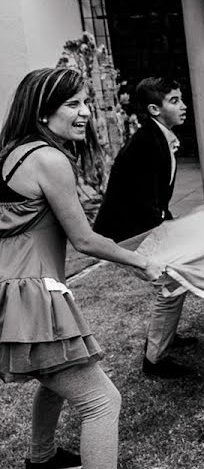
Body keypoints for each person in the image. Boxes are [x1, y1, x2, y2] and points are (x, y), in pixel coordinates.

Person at [0, 68, 166, 469]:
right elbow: (84, 239)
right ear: (42, 112)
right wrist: (142, 262)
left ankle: (42, 459)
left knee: (55, 379)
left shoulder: (11, 153)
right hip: (31, 294)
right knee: (102, 402)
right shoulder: (50, 159)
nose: (85, 113)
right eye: (72, 104)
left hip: (14, 288)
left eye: (85, 103)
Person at [93, 77, 197, 379]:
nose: (184, 105)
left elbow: (156, 199)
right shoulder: (147, 143)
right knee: (172, 283)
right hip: (126, 232)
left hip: (143, 222)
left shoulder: (159, 137)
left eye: (181, 98)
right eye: (174, 100)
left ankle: (166, 335)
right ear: (154, 109)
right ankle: (155, 360)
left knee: (176, 279)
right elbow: (143, 205)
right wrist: (166, 234)